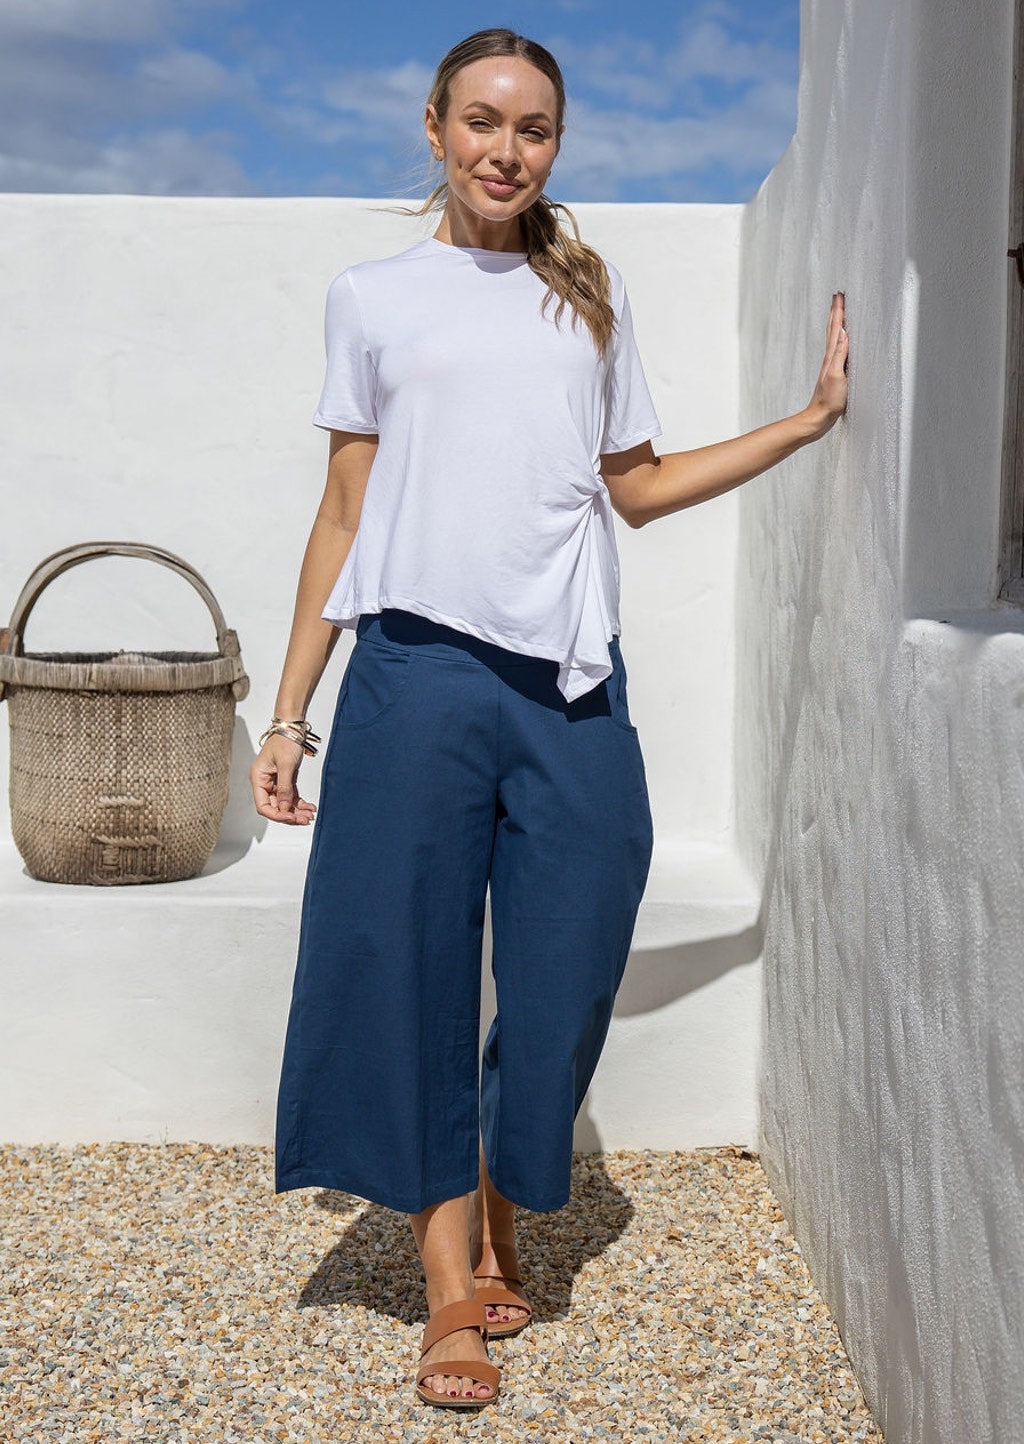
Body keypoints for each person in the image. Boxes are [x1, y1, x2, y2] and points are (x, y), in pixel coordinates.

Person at [250, 27, 848, 1412]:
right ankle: (452, 1286)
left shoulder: (589, 296)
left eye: (532, 130)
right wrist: (289, 715)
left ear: (556, 145)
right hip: (411, 676)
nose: (505, 151)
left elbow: (636, 488)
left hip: (570, 684)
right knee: (406, 965)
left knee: (571, 951)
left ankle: (507, 1189)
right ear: (435, 126)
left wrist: (804, 424)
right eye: (481, 122)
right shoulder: (373, 298)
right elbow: (344, 512)